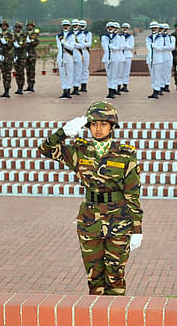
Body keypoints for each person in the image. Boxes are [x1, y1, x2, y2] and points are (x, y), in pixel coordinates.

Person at [38, 101, 143, 295]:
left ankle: (116, 319)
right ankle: (97, 321)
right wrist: (62, 132)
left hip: (118, 220)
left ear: (112, 126)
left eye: (103, 124)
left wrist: (137, 229)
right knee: (94, 276)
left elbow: (132, 194)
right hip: (90, 220)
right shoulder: (80, 151)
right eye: (94, 124)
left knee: (115, 275)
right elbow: (44, 149)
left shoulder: (125, 155)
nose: (98, 128)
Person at [145, 22, 162, 99]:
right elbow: (148, 48)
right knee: (152, 76)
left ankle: (157, 90)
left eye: (155, 28)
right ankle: (153, 90)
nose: (154, 29)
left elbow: (160, 48)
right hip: (151, 59)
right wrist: (152, 47)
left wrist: (154, 46)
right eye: (152, 28)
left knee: (157, 76)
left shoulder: (160, 38)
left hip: (158, 59)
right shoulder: (148, 38)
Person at [25, 21, 41, 93]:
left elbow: (36, 43)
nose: (30, 27)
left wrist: (30, 42)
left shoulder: (35, 34)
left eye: (31, 26)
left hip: (32, 54)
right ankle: (28, 85)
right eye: (29, 25)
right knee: (27, 70)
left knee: (32, 70)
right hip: (25, 54)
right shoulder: (24, 34)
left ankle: (32, 85)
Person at [12, 21, 28, 95]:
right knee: (17, 72)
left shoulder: (24, 35)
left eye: (18, 27)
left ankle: (21, 87)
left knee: (21, 72)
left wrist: (19, 45)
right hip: (15, 55)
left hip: (22, 56)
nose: (17, 28)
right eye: (16, 27)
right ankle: (18, 87)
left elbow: (25, 44)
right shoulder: (13, 35)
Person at [70, 19, 83, 96]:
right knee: (72, 72)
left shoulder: (82, 35)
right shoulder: (70, 34)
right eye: (74, 25)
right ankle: (72, 87)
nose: (75, 26)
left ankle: (76, 88)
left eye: (76, 25)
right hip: (71, 54)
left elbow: (82, 45)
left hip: (78, 54)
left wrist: (74, 44)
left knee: (78, 72)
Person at [77, 19, 90, 93]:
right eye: (80, 25)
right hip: (78, 52)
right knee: (78, 69)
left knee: (85, 69)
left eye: (83, 25)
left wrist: (81, 45)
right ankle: (77, 85)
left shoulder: (88, 33)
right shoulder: (76, 34)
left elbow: (89, 44)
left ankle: (84, 85)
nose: (82, 26)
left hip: (85, 52)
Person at [121, 23, 134, 93]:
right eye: (124, 28)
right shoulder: (119, 36)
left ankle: (125, 85)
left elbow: (131, 46)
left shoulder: (130, 37)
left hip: (127, 54)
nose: (125, 29)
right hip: (121, 55)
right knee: (120, 71)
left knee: (126, 71)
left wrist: (125, 45)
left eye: (126, 28)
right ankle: (119, 85)